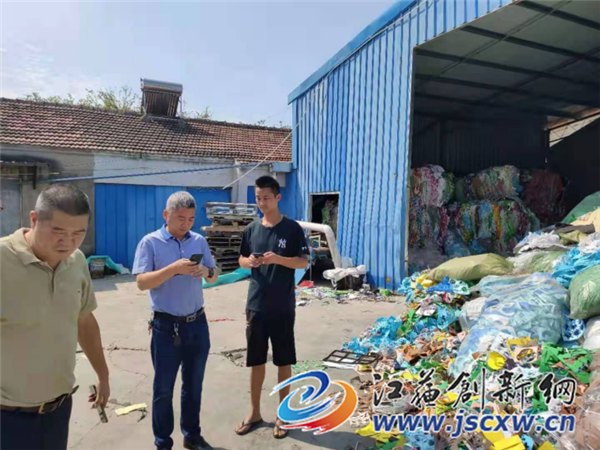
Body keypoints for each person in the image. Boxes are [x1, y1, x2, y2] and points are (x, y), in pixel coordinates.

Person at [0, 184, 110, 450]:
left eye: (78, 233)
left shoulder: (77, 261)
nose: (68, 242)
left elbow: (84, 320)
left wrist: (103, 374)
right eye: (58, 231)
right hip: (7, 418)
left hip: (58, 411)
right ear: (34, 219)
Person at [133, 191, 219, 450]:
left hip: (197, 324)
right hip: (166, 327)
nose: (186, 224)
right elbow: (141, 282)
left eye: (191, 219)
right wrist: (173, 269)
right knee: (163, 389)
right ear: (166, 215)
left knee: (193, 386)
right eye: (181, 218)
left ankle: (192, 436)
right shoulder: (150, 242)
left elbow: (214, 275)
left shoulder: (199, 241)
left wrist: (205, 271)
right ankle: (163, 443)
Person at [235, 176, 309, 440]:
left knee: (283, 361)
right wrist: (250, 262)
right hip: (256, 304)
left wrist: (278, 259)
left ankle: (283, 415)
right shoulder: (252, 229)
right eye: (258, 198)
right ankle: (254, 413)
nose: (262, 203)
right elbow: (241, 259)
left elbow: (302, 262)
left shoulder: (292, 229)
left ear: (278, 197)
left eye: (266, 197)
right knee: (256, 360)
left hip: (282, 306)